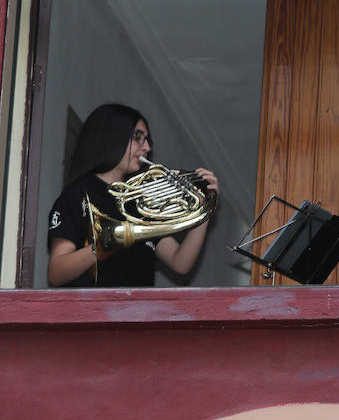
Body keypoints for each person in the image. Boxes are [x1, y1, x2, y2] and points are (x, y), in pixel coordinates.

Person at [47, 103, 220, 287]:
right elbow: (56, 272)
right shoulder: (78, 194)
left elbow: (180, 263)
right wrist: (103, 246)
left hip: (138, 313)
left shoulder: (140, 200)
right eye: (138, 138)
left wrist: (204, 208)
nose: (146, 147)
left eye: (147, 140)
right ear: (114, 137)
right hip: (91, 313)